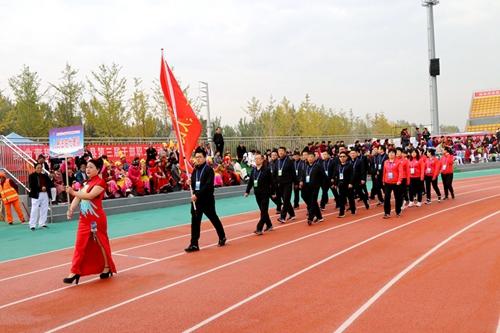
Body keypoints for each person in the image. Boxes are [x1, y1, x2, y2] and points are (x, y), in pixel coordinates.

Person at [64, 158, 116, 284]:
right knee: (80, 244)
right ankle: (74, 271)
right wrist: (71, 209)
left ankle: (106, 267)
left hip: (96, 219)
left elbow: (89, 196)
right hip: (84, 220)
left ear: (98, 169)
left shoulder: (100, 182)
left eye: (91, 167)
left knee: (101, 243)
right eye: (87, 167)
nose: (88, 169)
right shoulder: (85, 183)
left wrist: (72, 191)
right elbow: (79, 197)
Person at [185, 147, 227, 252]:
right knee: (195, 222)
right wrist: (190, 183)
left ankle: (222, 236)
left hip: (206, 200)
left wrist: (197, 195)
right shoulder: (195, 170)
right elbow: (195, 185)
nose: (198, 159)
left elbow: (208, 186)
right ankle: (194, 244)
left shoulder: (209, 170)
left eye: (200, 157)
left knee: (213, 218)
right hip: (196, 201)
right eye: (196, 157)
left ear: (205, 158)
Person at [244, 152, 275, 235]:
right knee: (263, 210)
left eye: (258, 159)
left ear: (262, 160)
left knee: (263, 211)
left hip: (265, 193)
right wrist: (247, 191)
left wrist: (273, 192)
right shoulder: (253, 170)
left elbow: (271, 182)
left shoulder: (266, 170)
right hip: (257, 193)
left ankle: (259, 228)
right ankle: (269, 225)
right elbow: (250, 181)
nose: (257, 160)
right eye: (255, 159)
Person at [300, 150, 324, 225]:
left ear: (314, 158)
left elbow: (323, 176)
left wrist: (322, 183)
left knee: (313, 201)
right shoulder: (305, 166)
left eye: (311, 157)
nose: (310, 158)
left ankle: (311, 217)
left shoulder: (318, 166)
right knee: (304, 196)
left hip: (315, 186)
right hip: (306, 186)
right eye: (308, 157)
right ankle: (319, 216)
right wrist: (301, 181)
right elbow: (303, 175)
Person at [273, 147, 295, 223]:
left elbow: (293, 173)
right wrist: (274, 182)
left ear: (285, 152)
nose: (280, 152)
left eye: (282, 151)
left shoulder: (289, 161)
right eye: (279, 151)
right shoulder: (277, 162)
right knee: (286, 200)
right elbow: (275, 173)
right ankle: (292, 214)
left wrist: (296, 183)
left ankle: (282, 217)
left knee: (286, 200)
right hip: (280, 184)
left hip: (288, 183)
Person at [28, 163, 52, 230]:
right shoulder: (31, 176)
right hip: (36, 194)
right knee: (34, 209)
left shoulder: (44, 175)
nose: (39, 169)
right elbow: (31, 185)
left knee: (44, 209)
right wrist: (41, 188)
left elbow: (50, 183)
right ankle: (32, 224)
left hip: (45, 194)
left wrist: (45, 187)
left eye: (40, 167)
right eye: (38, 167)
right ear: (35, 168)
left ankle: (42, 223)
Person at [382, 148, 403, 219]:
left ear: (395, 154)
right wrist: (383, 180)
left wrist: (399, 180)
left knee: (398, 198)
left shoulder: (398, 162)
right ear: (388, 154)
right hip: (387, 183)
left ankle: (398, 211)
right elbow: (384, 172)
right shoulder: (385, 162)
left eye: (392, 153)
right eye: (390, 153)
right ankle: (387, 213)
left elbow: (400, 172)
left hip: (396, 183)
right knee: (386, 198)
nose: (391, 154)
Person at [334, 151, 355, 218]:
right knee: (341, 198)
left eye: (343, 156)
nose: (342, 158)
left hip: (348, 184)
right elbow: (336, 175)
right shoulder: (338, 166)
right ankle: (341, 212)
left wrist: (351, 183)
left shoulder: (350, 165)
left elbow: (352, 175)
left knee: (350, 198)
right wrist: (335, 183)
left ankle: (353, 209)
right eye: (340, 157)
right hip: (341, 184)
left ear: (346, 157)